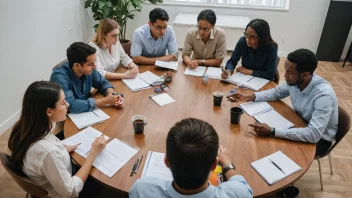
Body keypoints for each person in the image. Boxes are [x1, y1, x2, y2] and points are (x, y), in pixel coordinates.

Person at [229, 49, 338, 197]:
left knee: (270, 144)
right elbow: (275, 93)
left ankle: (280, 188)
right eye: (285, 70)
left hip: (319, 139)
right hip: (300, 124)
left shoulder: (323, 95)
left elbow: (313, 135)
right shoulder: (295, 81)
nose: (285, 75)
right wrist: (251, 96)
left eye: (289, 72)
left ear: (305, 74)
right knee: (263, 143)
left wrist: (273, 131)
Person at [8, 81, 107, 198]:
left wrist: (63, 150)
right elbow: (71, 192)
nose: (68, 105)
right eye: (63, 102)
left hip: (51, 178)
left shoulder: (25, 128)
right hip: (63, 192)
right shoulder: (48, 152)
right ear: (49, 111)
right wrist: (93, 153)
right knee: (103, 181)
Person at [129, 118, 253, 198]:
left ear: (166, 161)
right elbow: (241, 185)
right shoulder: (238, 193)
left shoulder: (141, 190)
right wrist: (227, 164)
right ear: (214, 164)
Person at [50, 42, 124, 114]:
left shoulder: (88, 70)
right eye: (91, 64)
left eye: (94, 62)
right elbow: (71, 105)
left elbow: (103, 83)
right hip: (63, 119)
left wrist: (112, 96)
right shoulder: (59, 77)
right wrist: (105, 101)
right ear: (77, 65)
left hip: (84, 113)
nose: (94, 66)